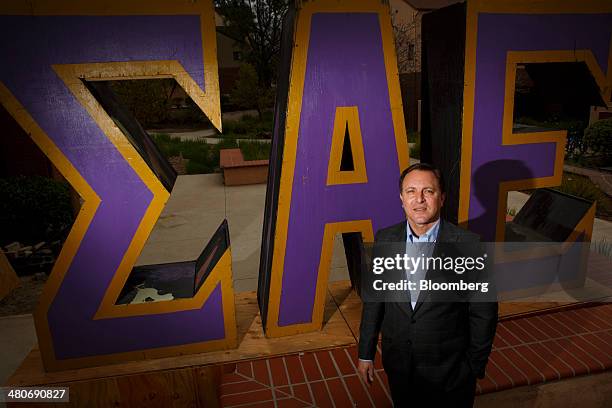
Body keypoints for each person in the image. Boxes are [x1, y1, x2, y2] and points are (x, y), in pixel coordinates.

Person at [357, 163, 498, 407]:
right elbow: (374, 301)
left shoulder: (469, 245)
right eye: (411, 191)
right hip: (399, 368)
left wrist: (474, 366)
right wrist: (365, 353)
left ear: (441, 198)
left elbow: (484, 313)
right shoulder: (385, 239)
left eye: (428, 191)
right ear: (401, 198)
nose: (419, 199)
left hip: (451, 375)